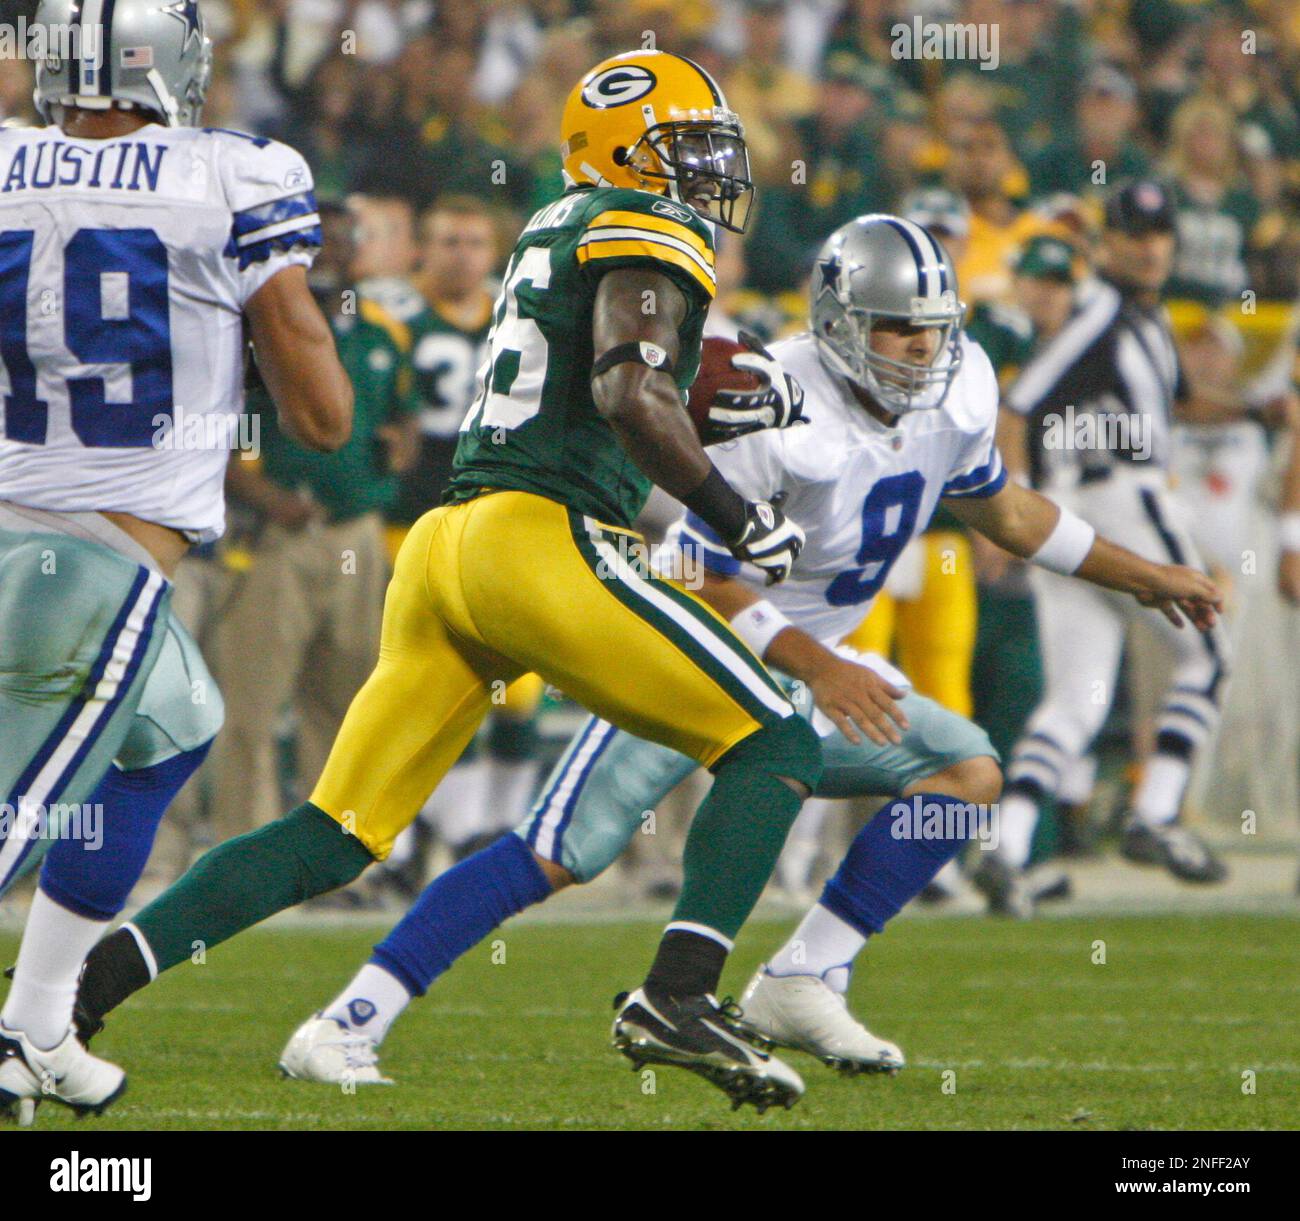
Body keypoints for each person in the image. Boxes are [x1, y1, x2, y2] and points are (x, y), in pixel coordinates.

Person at [277, 214, 1222, 1088]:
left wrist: (1141, 575)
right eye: (899, 330)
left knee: (966, 772)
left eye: (935, 329)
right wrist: (816, 663)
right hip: (698, 658)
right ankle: (350, 1017)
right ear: (845, 322)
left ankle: (803, 977)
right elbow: (692, 564)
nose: (924, 351)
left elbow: (1007, 511)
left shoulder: (959, 390)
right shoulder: (772, 401)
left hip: (809, 676)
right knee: (558, 852)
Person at [66, 49, 818, 1115]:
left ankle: (68, 997)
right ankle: (679, 994)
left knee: (334, 830)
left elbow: (616, 377)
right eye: (684, 147)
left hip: (445, 544)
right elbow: (626, 391)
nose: (703, 171)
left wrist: (695, 392)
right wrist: (745, 519)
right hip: (539, 542)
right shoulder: (646, 227)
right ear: (619, 149)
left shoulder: (557, 228)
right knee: (777, 739)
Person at [0, 0, 351, 1118]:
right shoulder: (231, 174)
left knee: (174, 732)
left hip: (30, 529)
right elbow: (325, 417)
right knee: (13, 818)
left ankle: (38, 1025)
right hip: (86, 562)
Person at [991, 180, 1233, 913]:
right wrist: (1011, 507)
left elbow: (1176, 404)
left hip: (1071, 522)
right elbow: (1020, 401)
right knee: (1211, 652)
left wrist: (1258, 406)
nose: (1150, 246)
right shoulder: (1100, 305)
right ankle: (1156, 814)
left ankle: (1005, 848)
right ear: (1107, 243)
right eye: (1134, 233)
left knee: (1076, 701)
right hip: (1119, 498)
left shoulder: (1144, 319)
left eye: (1159, 233)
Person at [208, 202, 420, 841]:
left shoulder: (379, 332)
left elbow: (406, 416)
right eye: (318, 243)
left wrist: (401, 443)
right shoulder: (257, 325)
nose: (330, 255)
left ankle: (327, 852)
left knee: (346, 703)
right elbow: (220, 432)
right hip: (276, 538)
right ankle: (243, 849)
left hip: (356, 532)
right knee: (251, 706)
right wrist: (263, 494)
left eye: (341, 243)